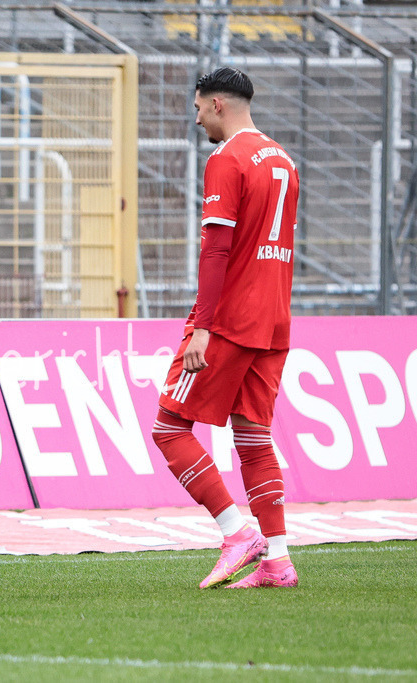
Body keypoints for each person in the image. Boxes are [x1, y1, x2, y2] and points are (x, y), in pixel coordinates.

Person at [151, 67, 300, 589]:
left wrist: (202, 328)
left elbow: (217, 250)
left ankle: (237, 532)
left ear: (218, 104)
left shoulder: (227, 158)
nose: (196, 121)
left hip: (231, 321)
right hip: (274, 320)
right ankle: (278, 562)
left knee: (169, 428)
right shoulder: (282, 158)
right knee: (254, 438)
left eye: (197, 109)